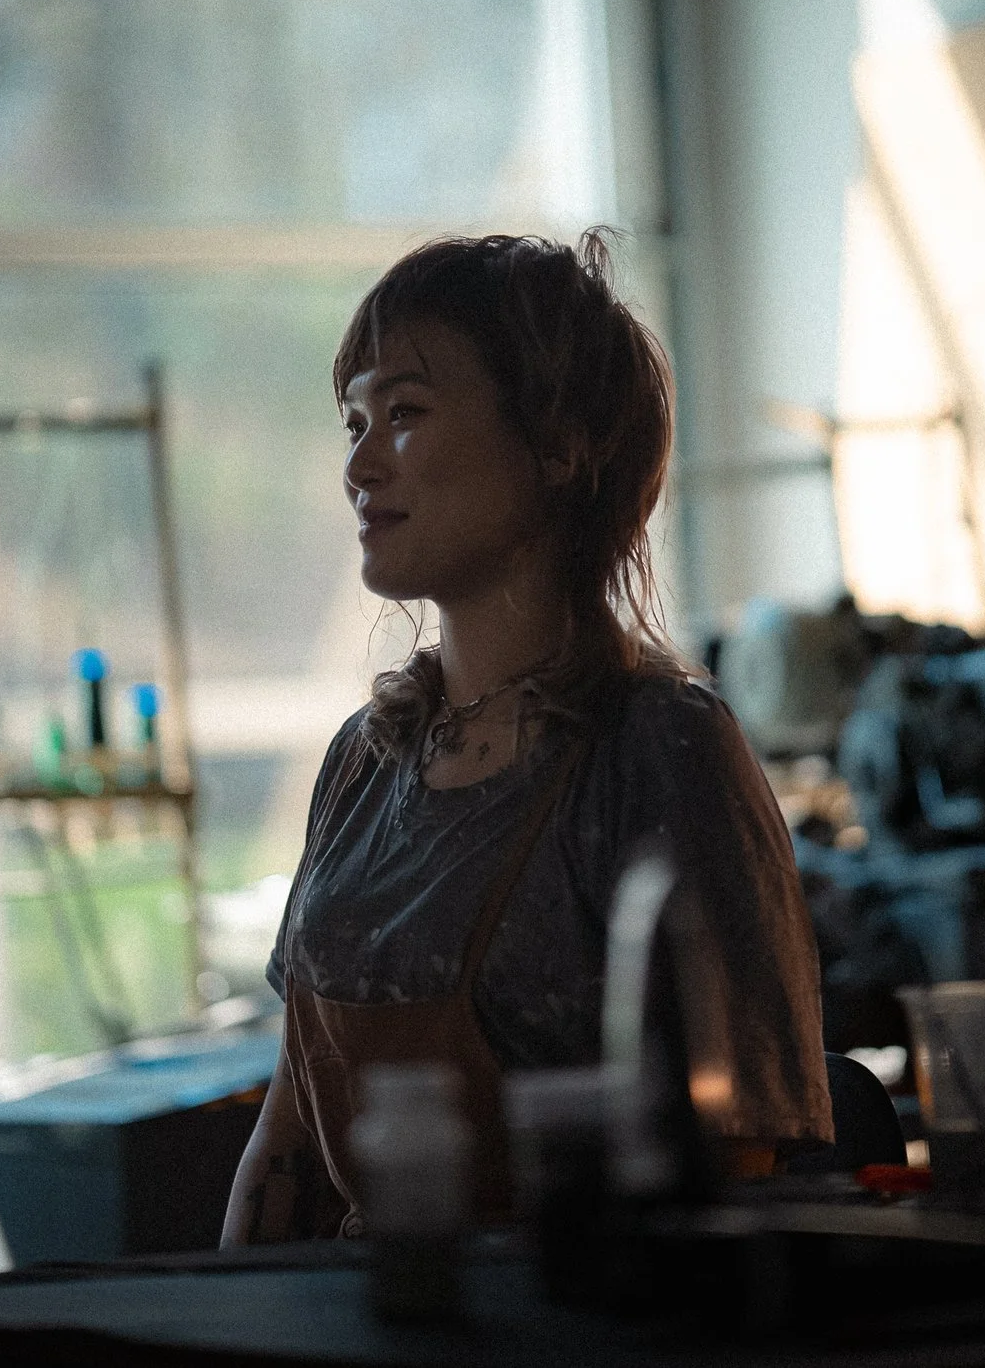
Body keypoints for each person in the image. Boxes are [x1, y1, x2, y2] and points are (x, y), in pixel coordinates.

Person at [222, 230, 831, 1245]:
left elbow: (738, 1167)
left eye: (405, 413)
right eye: (353, 422)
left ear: (557, 442)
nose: (359, 463)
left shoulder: (658, 749)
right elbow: (285, 1137)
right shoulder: (363, 765)